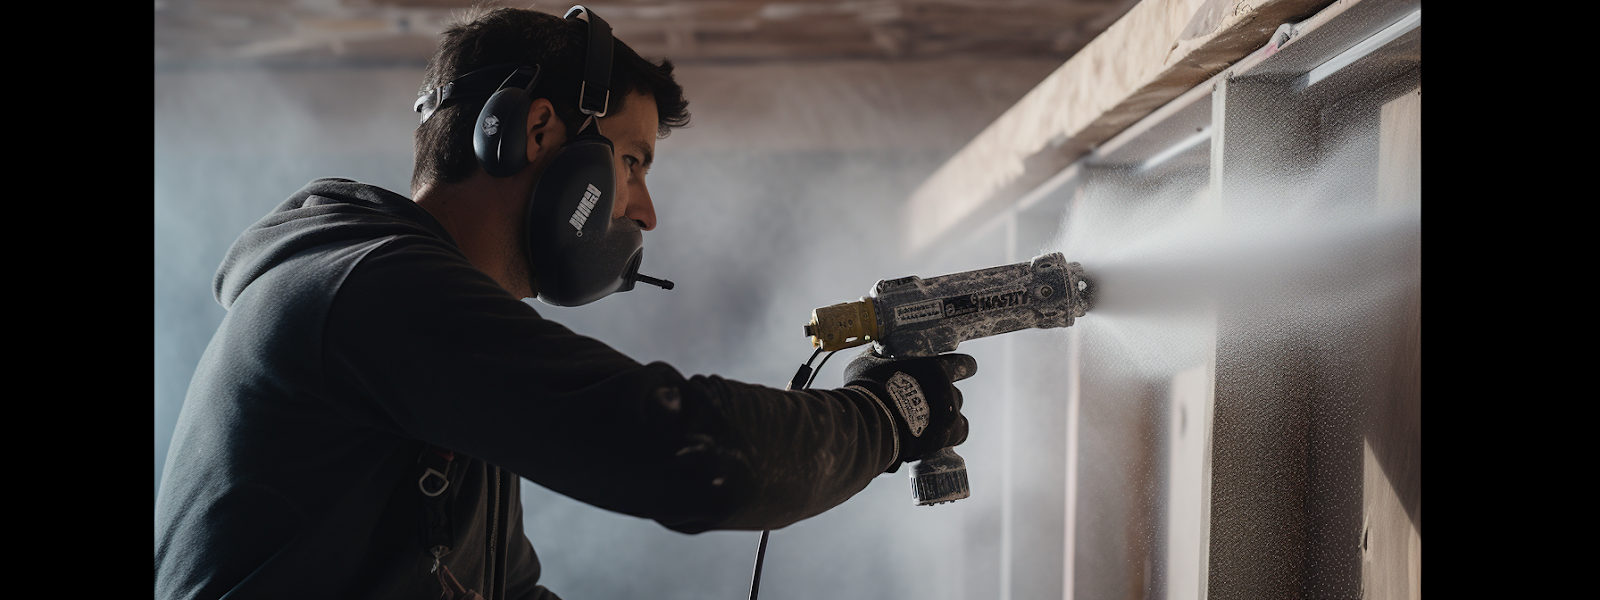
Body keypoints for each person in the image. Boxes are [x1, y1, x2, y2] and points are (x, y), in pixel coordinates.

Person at [154, 6, 976, 600]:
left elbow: (499, 589)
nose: (646, 212)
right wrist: (887, 413)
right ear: (536, 131)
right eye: (632, 162)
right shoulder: (369, 290)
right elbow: (689, 453)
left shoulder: (423, 325)